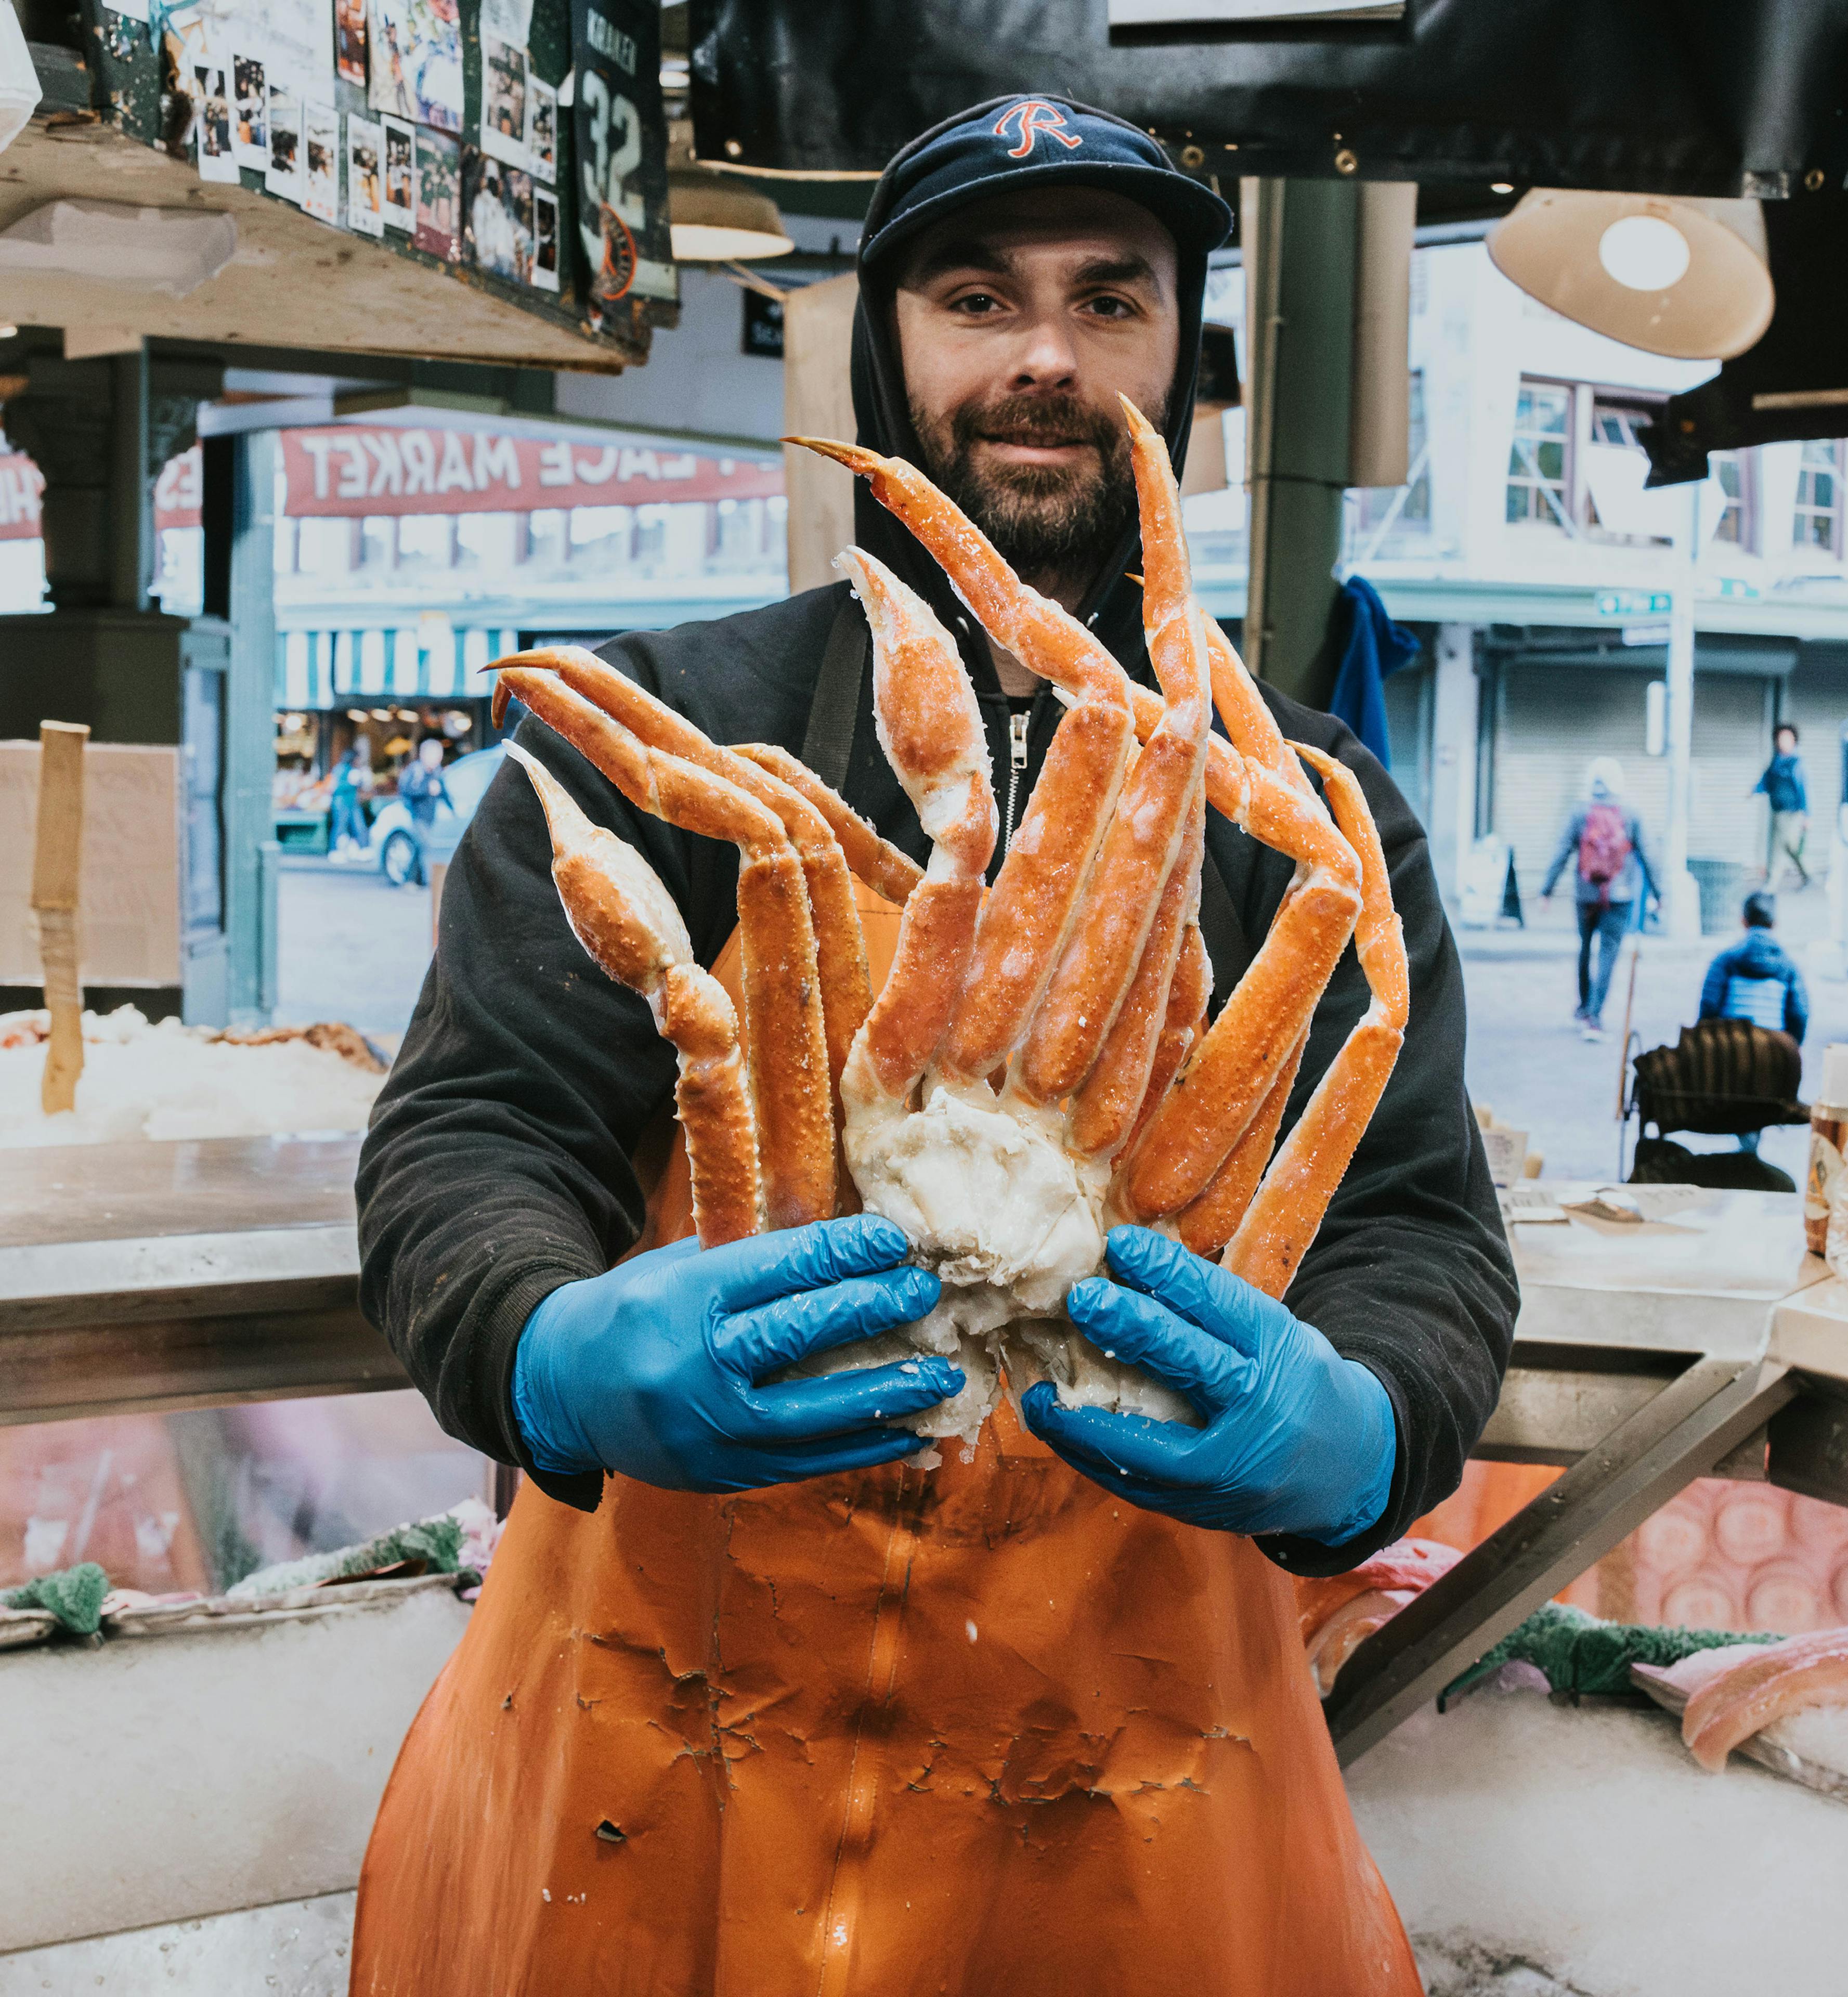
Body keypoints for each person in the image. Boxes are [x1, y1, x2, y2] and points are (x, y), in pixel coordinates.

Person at [351, 94, 1517, 1997]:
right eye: (977, 298)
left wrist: (1368, 1422)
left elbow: (1416, 1228)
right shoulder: (667, 737)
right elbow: (474, 1129)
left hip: (1126, 1789)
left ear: (1182, 360)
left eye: (1109, 300)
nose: (1045, 353)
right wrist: (543, 1342)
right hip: (647, 1763)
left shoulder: (1308, 819)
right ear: (883, 348)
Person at [1539, 755, 1656, 1042]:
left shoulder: (1580, 812)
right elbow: (1649, 855)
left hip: (1586, 894)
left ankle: (1583, 1008)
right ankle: (1595, 1017)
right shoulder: (1631, 814)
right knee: (1608, 954)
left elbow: (1561, 852)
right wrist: (1660, 893)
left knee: (1585, 948)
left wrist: (1546, 890)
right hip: (1621, 897)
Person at [1700, 890, 1808, 1043]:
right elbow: (1799, 1014)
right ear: (1774, 924)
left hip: (1731, 1046)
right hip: (1773, 1047)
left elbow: (1709, 1007)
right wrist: (1792, 1046)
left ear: (1743, 921)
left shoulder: (1724, 961)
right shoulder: (1789, 967)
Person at [1754, 721, 1810, 889]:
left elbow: (1805, 789)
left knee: (1788, 846)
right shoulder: (1776, 761)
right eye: (1781, 738)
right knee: (1781, 847)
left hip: (1793, 813)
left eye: (1787, 738)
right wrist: (1754, 790)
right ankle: (1774, 882)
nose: (1783, 742)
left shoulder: (1797, 763)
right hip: (1778, 811)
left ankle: (1805, 874)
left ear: (1794, 741)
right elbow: (1766, 781)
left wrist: (1808, 815)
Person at [394, 736, 447, 887]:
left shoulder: (437, 772)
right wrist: (427, 790)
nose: (438, 759)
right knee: (424, 845)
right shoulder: (416, 771)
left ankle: (414, 880)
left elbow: (443, 792)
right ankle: (421, 880)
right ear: (424, 755)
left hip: (430, 816)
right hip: (416, 816)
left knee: (420, 848)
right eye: (435, 755)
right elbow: (406, 790)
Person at [327, 745, 370, 859]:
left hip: (353, 803)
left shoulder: (353, 770)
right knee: (340, 827)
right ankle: (334, 851)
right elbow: (335, 787)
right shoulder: (340, 769)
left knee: (359, 826)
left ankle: (363, 848)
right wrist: (351, 783)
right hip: (342, 803)